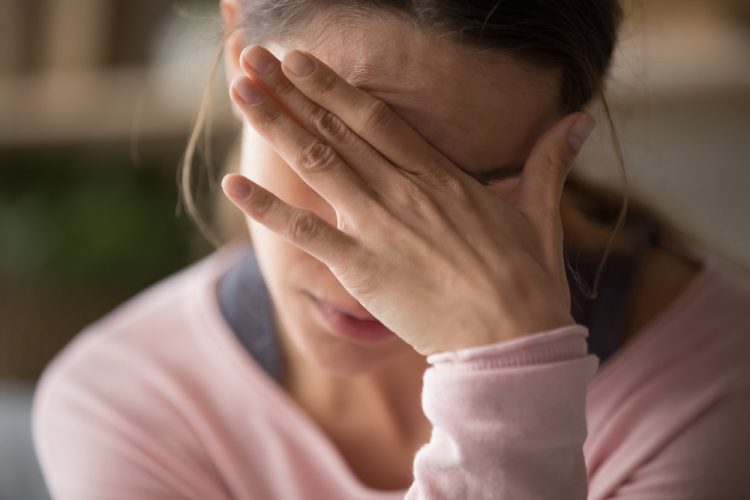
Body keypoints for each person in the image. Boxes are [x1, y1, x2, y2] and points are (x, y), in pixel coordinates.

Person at [32, 1, 750, 498]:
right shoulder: (127, 404)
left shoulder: (712, 384)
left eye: (468, 189)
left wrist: (508, 373)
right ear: (234, 48)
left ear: (567, 130)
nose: (364, 260)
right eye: (331, 151)